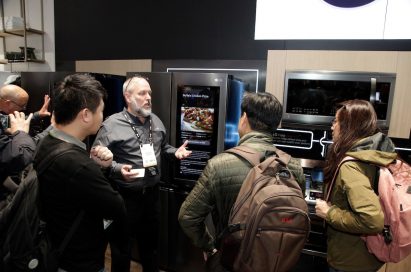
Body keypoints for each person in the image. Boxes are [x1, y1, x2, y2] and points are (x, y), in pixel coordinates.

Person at [178, 92, 305, 271]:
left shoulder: (219, 165)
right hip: (275, 262)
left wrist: (211, 247)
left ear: (244, 118)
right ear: (276, 124)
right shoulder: (293, 167)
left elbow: (187, 217)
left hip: (231, 261)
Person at [92, 75, 192, 272]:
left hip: (152, 196)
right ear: (128, 97)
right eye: (142, 93)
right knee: (122, 250)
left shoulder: (155, 121)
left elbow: (163, 147)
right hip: (124, 198)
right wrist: (118, 170)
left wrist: (175, 153)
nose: (148, 97)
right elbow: (95, 157)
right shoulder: (111, 124)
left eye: (150, 93)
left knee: (151, 248)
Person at [34, 74, 127, 272]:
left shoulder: (44, 142)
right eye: (101, 111)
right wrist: (105, 168)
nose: (102, 117)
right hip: (78, 261)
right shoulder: (78, 164)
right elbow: (116, 207)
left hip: (54, 248)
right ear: (86, 115)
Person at [315, 99, 397, 272]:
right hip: (366, 257)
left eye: (336, 121)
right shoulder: (373, 154)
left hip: (349, 262)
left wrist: (328, 212)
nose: (332, 126)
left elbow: (372, 220)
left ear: (348, 125)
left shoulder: (351, 165)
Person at [0, 84, 51, 207]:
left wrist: (38, 115)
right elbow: (22, 157)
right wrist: (21, 133)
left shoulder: (3, 115)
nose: (23, 109)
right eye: (22, 106)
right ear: (8, 103)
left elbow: (9, 121)